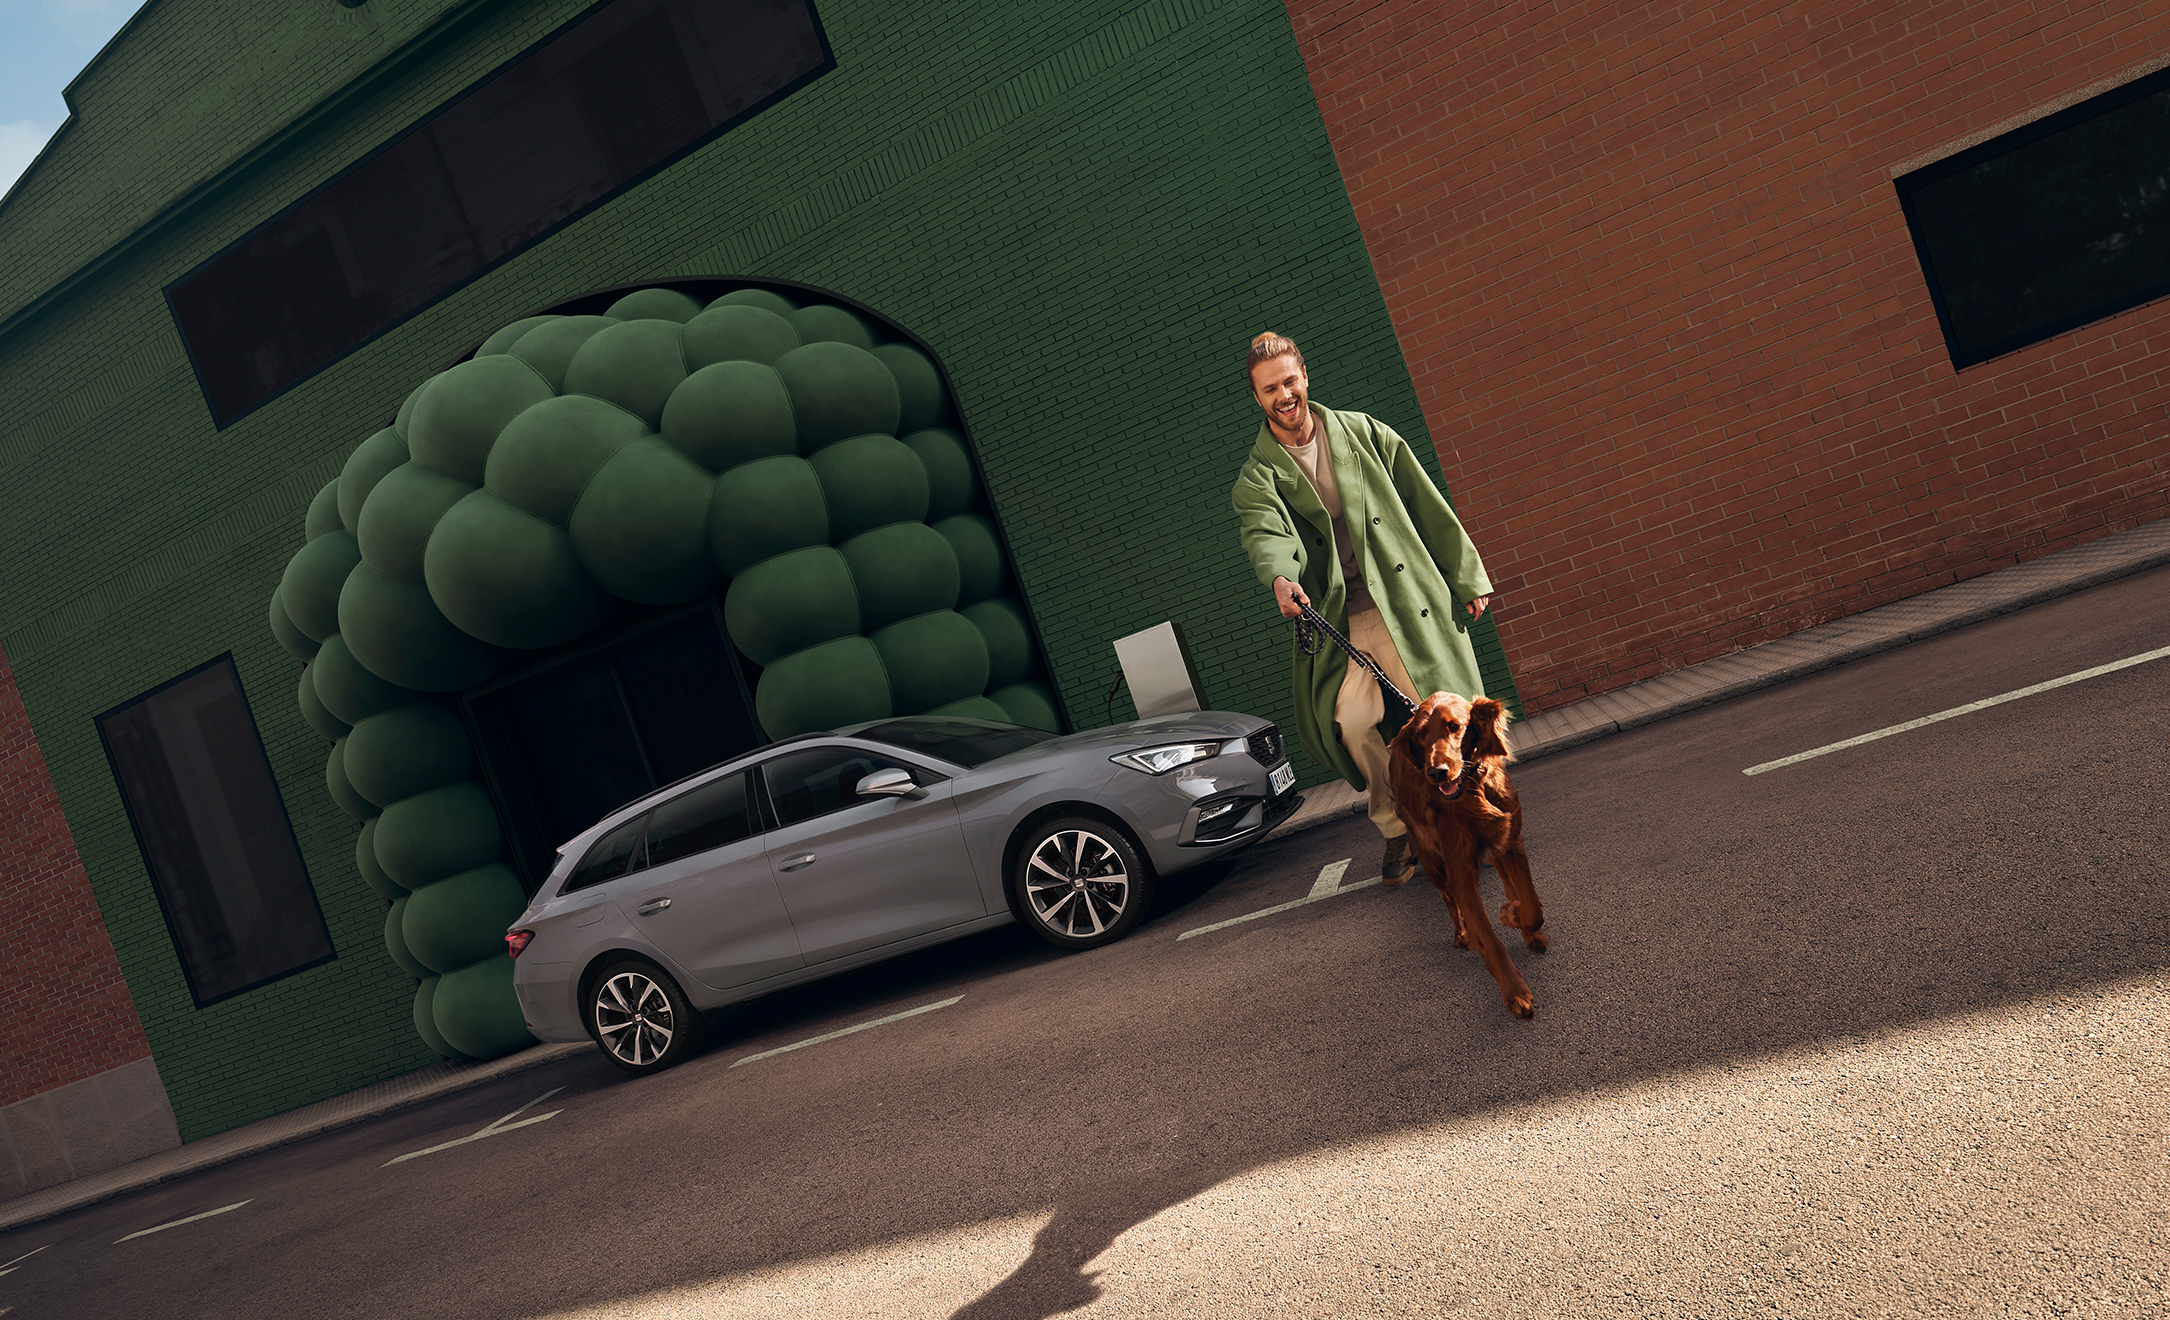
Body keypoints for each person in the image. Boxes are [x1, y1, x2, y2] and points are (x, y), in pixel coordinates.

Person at [1231, 331, 1495, 885]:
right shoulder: (1258, 476)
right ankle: (1400, 830)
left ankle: (1473, 816)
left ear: (1305, 377)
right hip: (1338, 625)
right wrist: (1280, 579)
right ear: (1257, 398)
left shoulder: (1364, 432)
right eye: (1269, 389)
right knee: (1351, 725)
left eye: (1288, 381)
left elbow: (1425, 498)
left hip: (1401, 604)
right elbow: (1265, 533)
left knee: (1440, 712)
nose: (1283, 395)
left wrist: (1465, 574)